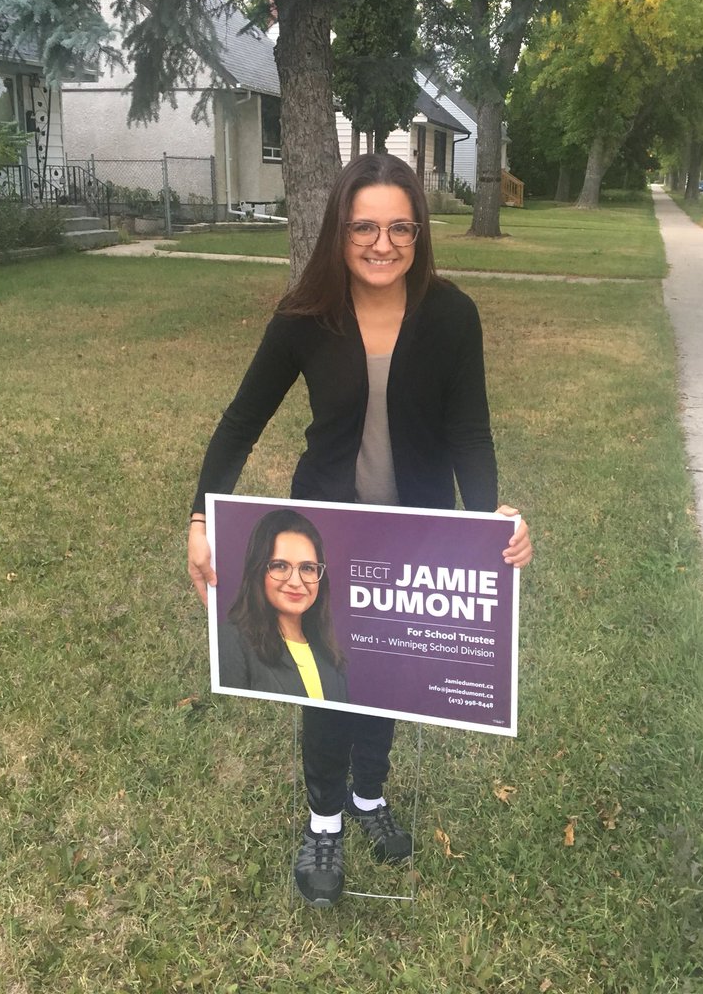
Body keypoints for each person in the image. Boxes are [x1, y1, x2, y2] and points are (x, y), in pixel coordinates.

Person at [188, 152, 532, 908]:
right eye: (364, 227)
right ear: (339, 232)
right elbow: (243, 421)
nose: (383, 243)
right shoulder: (304, 319)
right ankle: (323, 819)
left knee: (387, 673)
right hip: (327, 531)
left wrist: (485, 525)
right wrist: (198, 517)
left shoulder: (451, 315)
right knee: (329, 681)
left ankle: (369, 797)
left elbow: (470, 434)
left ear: (419, 232)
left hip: (415, 533)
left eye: (400, 227)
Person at [218, 508, 347, 702]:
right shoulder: (231, 641)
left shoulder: (332, 658)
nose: (296, 581)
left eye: (307, 568)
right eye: (280, 566)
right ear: (258, 570)